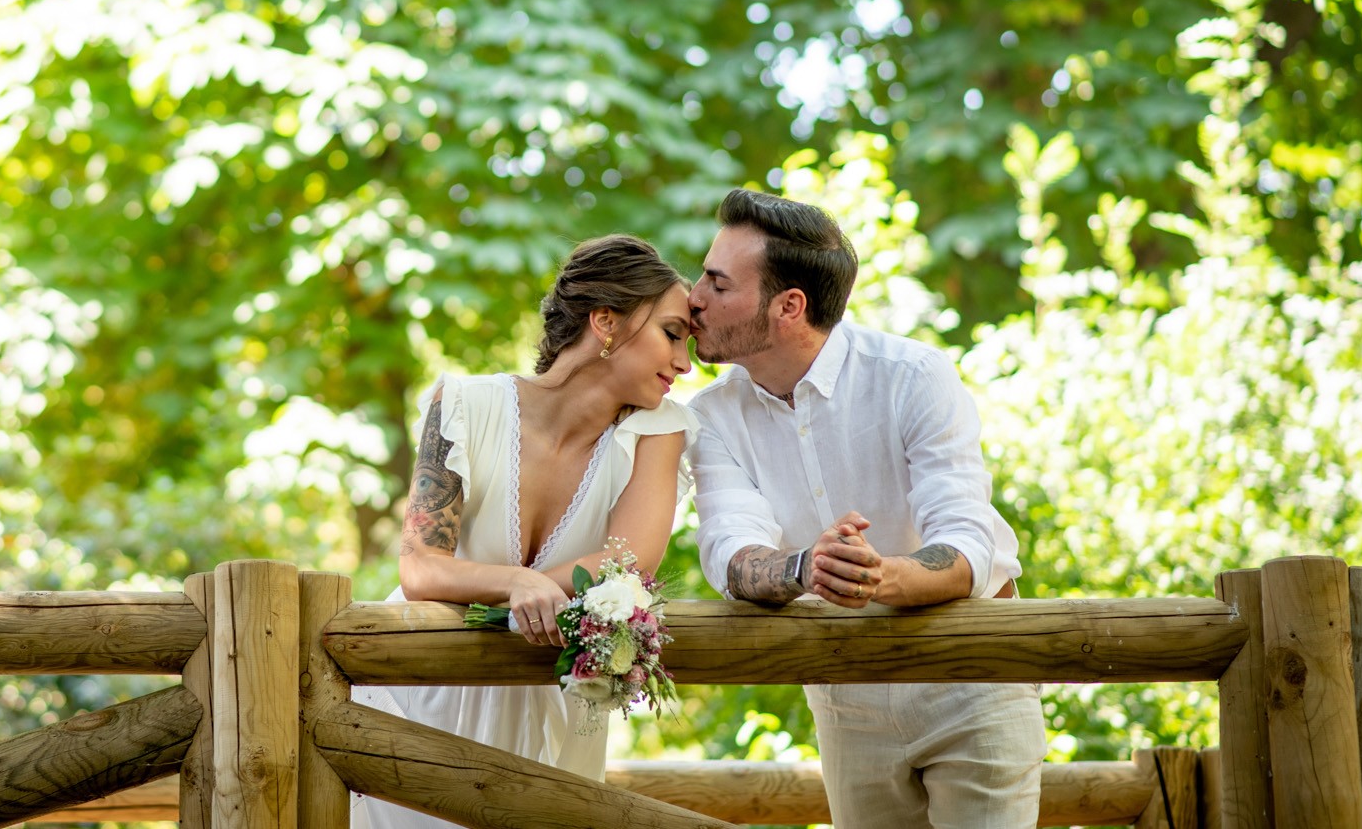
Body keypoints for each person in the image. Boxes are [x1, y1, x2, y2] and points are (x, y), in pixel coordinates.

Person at [686, 189, 1043, 829]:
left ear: (789, 306)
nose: (693, 297)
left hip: (971, 679)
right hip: (844, 696)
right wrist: (807, 568)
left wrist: (876, 576)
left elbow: (967, 543)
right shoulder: (711, 416)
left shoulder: (914, 376)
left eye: (718, 283)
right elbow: (728, 549)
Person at [350, 234, 698, 829]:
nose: (685, 362)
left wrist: (518, 585)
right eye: (671, 333)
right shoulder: (463, 404)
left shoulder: (659, 432)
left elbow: (630, 561)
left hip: (551, 719)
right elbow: (420, 568)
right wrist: (516, 583)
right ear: (606, 321)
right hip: (418, 700)